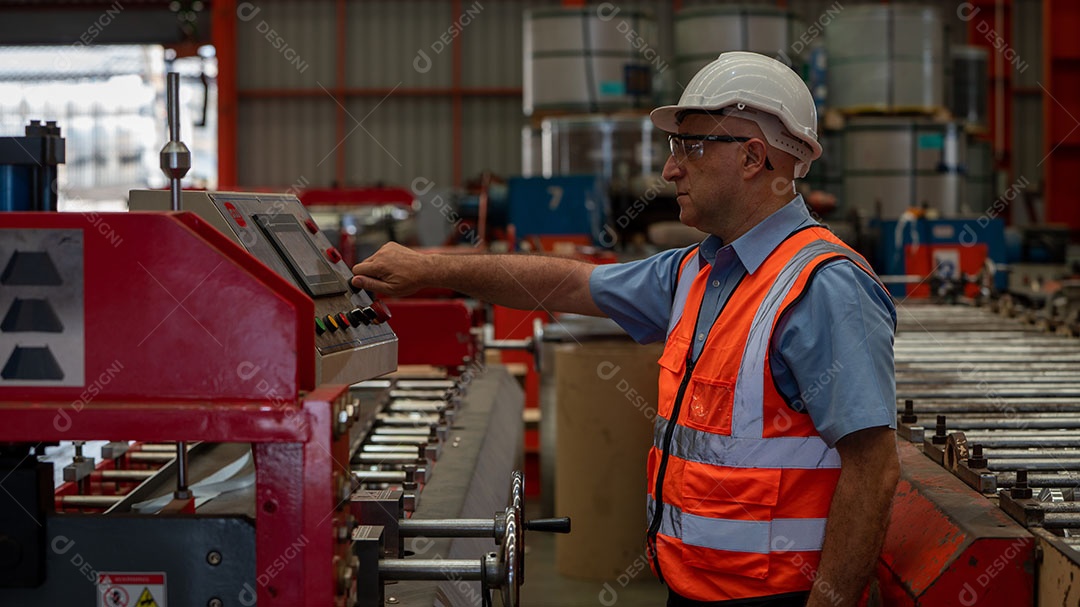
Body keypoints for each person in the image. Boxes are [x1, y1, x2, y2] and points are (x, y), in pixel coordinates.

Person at [351, 52, 900, 607]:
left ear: (753, 157)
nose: (670, 170)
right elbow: (568, 284)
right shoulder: (696, 273)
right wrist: (430, 269)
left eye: (690, 146)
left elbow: (874, 469)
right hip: (690, 589)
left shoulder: (824, 286)